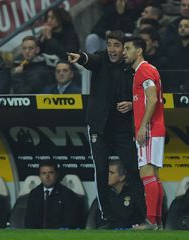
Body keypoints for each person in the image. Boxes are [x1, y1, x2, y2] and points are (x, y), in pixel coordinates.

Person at [68, 30, 143, 228]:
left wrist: (132, 104)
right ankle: (107, 217)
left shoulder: (132, 67)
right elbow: (90, 60)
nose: (111, 49)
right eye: (109, 44)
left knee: (134, 170)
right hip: (99, 127)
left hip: (122, 129)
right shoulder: (101, 59)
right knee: (101, 171)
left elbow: (147, 96)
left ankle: (142, 216)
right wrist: (81, 57)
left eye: (116, 45)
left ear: (125, 48)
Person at [123, 36, 165, 230]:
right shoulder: (149, 70)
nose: (124, 52)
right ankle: (157, 221)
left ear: (138, 51)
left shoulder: (143, 70)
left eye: (128, 48)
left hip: (149, 129)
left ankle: (150, 221)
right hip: (155, 128)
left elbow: (153, 99)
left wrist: (142, 127)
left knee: (146, 173)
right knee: (153, 175)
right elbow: (149, 99)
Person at [24, 161, 84, 229]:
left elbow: (70, 222)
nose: (47, 176)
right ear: (40, 176)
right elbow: (29, 221)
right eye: (43, 173)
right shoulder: (34, 193)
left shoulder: (67, 194)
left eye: (51, 173)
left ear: (57, 175)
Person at [96, 160, 144, 229]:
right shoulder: (103, 192)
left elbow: (140, 217)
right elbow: (98, 216)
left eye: (111, 173)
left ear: (122, 177)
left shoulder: (135, 193)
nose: (107, 175)